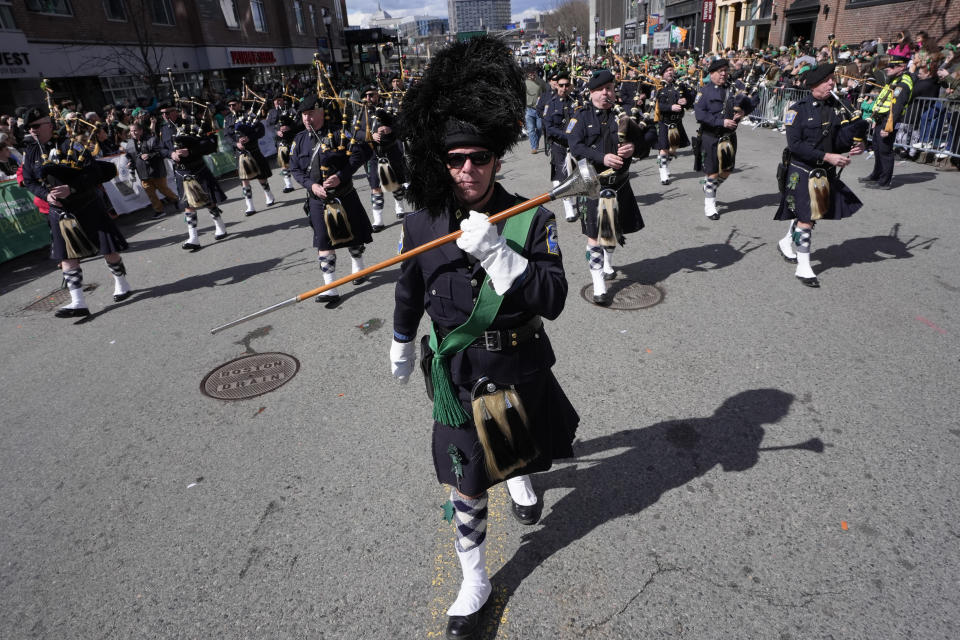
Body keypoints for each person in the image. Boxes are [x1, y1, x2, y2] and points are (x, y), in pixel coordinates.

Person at [391, 36, 578, 640]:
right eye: (454, 159)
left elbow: (555, 299)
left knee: (515, 450)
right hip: (457, 376)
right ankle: (474, 578)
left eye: (478, 157)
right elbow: (409, 290)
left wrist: (503, 256)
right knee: (464, 479)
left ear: (496, 157)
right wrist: (399, 339)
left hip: (519, 368)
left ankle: (518, 471)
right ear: (440, 162)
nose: (466, 169)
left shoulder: (531, 219)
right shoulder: (420, 221)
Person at [20, 107, 133, 317]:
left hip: (86, 203)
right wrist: (47, 195)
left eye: (36, 126)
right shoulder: (31, 152)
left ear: (49, 125)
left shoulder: (70, 144)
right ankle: (78, 301)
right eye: (29, 128)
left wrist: (71, 188)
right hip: (59, 211)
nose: (32, 130)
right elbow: (29, 181)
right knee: (66, 256)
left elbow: (93, 172)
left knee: (107, 249)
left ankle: (122, 282)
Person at [774, 63, 868, 287]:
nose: (831, 84)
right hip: (802, 170)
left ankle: (786, 241)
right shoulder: (796, 110)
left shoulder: (836, 107)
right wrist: (828, 157)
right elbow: (795, 145)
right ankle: (804, 266)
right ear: (814, 84)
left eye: (832, 80)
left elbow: (838, 140)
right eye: (827, 80)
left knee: (812, 214)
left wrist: (857, 143)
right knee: (806, 218)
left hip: (824, 171)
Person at [288, 93, 373, 305]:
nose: (306, 119)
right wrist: (311, 185)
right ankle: (330, 287)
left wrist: (340, 176)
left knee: (353, 236)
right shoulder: (299, 140)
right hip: (317, 199)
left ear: (320, 112)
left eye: (310, 114)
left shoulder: (339, 133)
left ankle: (358, 269)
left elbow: (357, 157)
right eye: (303, 115)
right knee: (323, 241)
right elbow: (295, 169)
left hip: (343, 194)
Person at [568, 69, 644, 305]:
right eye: (600, 89)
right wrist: (602, 157)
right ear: (591, 93)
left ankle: (608, 262)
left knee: (611, 233)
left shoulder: (624, 115)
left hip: (619, 185)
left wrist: (633, 147)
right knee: (594, 236)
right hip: (593, 185)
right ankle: (599, 283)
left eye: (609, 88)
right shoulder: (580, 117)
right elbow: (575, 146)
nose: (605, 93)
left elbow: (645, 142)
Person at [694, 57, 757, 220]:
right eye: (720, 71)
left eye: (725, 71)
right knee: (713, 172)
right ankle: (710, 204)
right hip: (711, 136)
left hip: (729, 137)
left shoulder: (733, 88)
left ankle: (709, 187)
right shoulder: (704, 92)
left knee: (727, 170)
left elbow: (749, 103)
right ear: (712, 73)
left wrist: (744, 112)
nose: (724, 74)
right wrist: (721, 121)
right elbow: (700, 115)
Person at [165, 114, 228, 250]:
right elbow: (162, 148)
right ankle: (193, 238)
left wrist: (190, 151)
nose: (165, 115)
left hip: (197, 168)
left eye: (168, 112)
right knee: (188, 204)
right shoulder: (164, 129)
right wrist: (171, 154)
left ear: (174, 111)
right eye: (162, 113)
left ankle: (220, 226)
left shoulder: (192, 124)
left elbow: (209, 144)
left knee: (208, 200)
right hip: (181, 172)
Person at [352, 85, 409, 232]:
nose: (369, 98)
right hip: (372, 154)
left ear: (377, 95)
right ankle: (378, 220)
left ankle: (399, 206)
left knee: (395, 182)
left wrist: (391, 129)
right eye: (366, 96)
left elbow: (402, 126)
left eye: (372, 95)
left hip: (391, 151)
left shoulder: (389, 109)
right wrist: (370, 135)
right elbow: (353, 132)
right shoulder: (360, 113)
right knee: (375, 186)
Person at [860, 54, 913, 189]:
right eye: (888, 65)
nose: (888, 69)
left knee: (885, 150)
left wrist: (888, 127)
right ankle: (876, 175)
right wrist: (875, 117)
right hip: (881, 119)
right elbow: (883, 100)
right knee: (877, 148)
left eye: (892, 66)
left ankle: (884, 181)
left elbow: (896, 108)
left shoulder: (903, 83)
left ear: (902, 67)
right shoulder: (894, 79)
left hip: (889, 121)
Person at [223, 97, 275, 214]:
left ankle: (268, 194)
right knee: (244, 180)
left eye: (234, 104)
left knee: (261, 177)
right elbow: (227, 136)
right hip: (240, 153)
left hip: (253, 150)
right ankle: (250, 205)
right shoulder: (227, 119)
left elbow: (261, 131)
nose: (231, 107)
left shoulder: (250, 115)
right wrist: (236, 143)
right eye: (230, 105)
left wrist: (249, 138)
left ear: (240, 104)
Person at [123, 119, 178, 219]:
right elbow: (130, 157)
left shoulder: (152, 139)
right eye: (131, 131)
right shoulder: (130, 144)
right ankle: (159, 210)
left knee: (164, 190)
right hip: (143, 173)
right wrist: (130, 163)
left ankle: (175, 199)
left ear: (141, 131)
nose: (133, 133)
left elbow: (161, 152)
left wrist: (149, 155)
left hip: (156, 171)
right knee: (151, 194)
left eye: (135, 130)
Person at [544, 71, 579, 223]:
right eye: (561, 85)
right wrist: (565, 135)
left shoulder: (575, 102)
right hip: (559, 144)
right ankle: (568, 208)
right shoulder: (550, 104)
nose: (564, 88)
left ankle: (577, 197)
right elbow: (548, 127)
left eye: (567, 85)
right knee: (563, 176)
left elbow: (579, 119)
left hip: (574, 144)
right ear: (556, 86)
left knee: (577, 173)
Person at [655, 63, 696, 185]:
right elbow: (658, 105)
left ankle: (664, 162)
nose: (670, 72)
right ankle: (663, 171)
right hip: (664, 122)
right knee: (664, 148)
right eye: (667, 70)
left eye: (671, 70)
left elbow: (691, 94)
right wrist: (670, 107)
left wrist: (685, 100)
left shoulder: (679, 85)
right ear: (663, 73)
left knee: (674, 148)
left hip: (677, 122)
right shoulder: (658, 86)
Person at [524, 67, 545, 153]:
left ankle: (535, 142)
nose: (532, 74)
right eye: (530, 73)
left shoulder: (540, 82)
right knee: (531, 129)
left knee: (539, 128)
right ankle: (534, 147)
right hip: (528, 109)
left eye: (533, 72)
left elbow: (545, 91)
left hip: (539, 109)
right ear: (527, 74)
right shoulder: (524, 83)